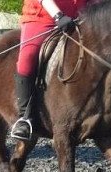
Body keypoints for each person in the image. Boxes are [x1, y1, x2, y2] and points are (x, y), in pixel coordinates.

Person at [11, 0, 92, 140]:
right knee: (28, 56)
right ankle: (25, 117)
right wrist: (58, 16)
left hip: (81, 16)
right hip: (43, 17)